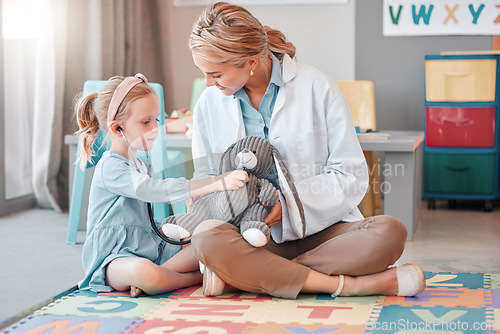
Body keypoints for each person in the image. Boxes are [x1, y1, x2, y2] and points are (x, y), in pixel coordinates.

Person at [187, 2, 426, 299]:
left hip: (325, 231)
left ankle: (254, 275)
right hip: (251, 234)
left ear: (250, 62)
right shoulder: (209, 103)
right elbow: (206, 176)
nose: (209, 83)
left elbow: (349, 174)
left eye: (216, 74)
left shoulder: (317, 86)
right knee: (206, 239)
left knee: (390, 233)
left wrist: (286, 207)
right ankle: (349, 284)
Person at [75, 73, 248, 297]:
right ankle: (199, 276)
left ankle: (166, 275)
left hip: (149, 245)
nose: (154, 128)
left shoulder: (136, 162)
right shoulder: (110, 166)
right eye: (145, 122)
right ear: (117, 129)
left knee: (210, 240)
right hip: (114, 257)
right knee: (144, 272)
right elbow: (153, 189)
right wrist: (214, 183)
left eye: (155, 120)